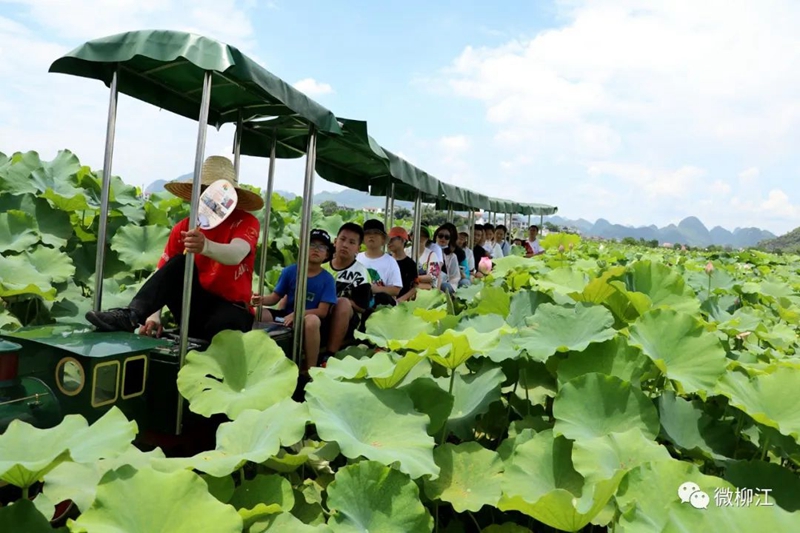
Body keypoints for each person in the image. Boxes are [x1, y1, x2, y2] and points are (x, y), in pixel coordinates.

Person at [85, 156, 262, 341]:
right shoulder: (184, 227)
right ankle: (131, 315)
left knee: (221, 327)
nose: (209, 198)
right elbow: (164, 273)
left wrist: (205, 246)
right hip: (194, 308)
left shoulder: (246, 221)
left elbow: (237, 254)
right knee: (179, 262)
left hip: (233, 309)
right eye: (204, 192)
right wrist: (154, 316)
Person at [251, 229, 337, 369]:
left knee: (312, 321)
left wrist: (299, 314)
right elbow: (274, 298)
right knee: (257, 313)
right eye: (312, 245)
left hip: (310, 320)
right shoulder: (290, 271)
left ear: (327, 254)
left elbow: (322, 311)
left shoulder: (327, 280)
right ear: (303, 248)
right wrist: (259, 300)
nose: (316, 249)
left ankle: (310, 369)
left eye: (321, 247)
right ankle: (257, 360)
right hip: (286, 316)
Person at [322, 223, 372, 360]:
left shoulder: (361, 273)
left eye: (351, 242)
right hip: (319, 313)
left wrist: (337, 301)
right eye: (342, 239)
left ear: (358, 248)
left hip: (349, 321)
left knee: (343, 303)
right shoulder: (322, 267)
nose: (345, 245)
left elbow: (362, 307)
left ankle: (329, 354)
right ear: (335, 241)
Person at [356, 219, 403, 307]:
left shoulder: (391, 261)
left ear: (383, 239)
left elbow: (396, 289)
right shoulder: (356, 258)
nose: (371, 236)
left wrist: (373, 289)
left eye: (376, 233)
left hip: (382, 308)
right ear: (363, 239)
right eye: (368, 233)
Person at [387, 226, 418, 303]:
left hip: (402, 304)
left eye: (392, 239)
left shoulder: (411, 264)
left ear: (402, 240)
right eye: (388, 240)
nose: (389, 242)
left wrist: (399, 300)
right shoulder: (385, 260)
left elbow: (415, 287)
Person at [434, 224, 462, 293]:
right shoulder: (429, 252)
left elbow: (455, 277)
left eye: (447, 237)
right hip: (431, 281)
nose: (443, 238)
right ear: (436, 237)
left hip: (446, 285)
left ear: (450, 240)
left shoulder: (452, 256)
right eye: (440, 236)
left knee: (444, 287)